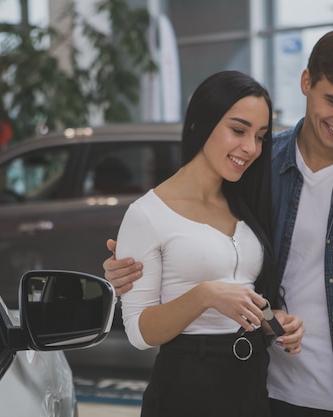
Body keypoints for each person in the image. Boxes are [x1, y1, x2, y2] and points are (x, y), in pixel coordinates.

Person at [104, 28, 333, 417]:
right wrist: (127, 265)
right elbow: (199, 231)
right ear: (306, 82)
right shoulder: (259, 165)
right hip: (270, 393)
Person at [114, 70, 304, 417]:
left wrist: (274, 321)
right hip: (186, 388)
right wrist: (205, 295)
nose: (251, 148)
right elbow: (140, 332)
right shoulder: (147, 214)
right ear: (200, 124)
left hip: (251, 383)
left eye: (260, 136)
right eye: (238, 130)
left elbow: (241, 294)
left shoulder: (245, 202)